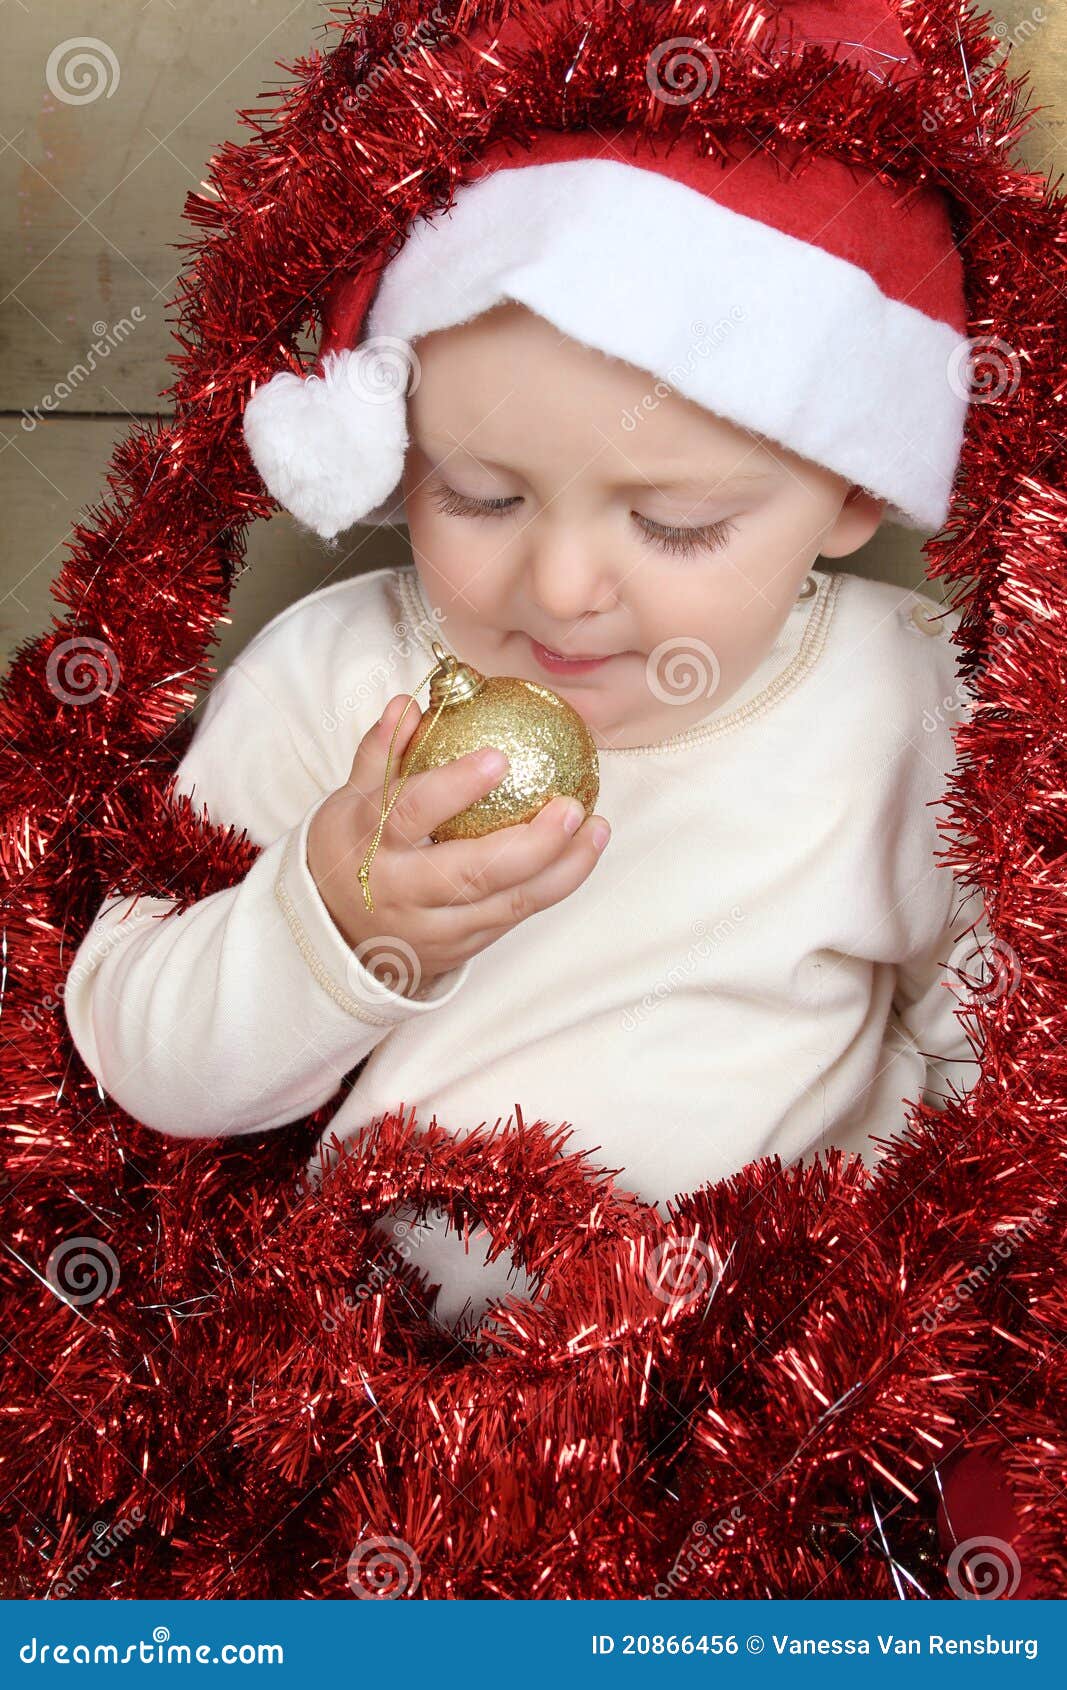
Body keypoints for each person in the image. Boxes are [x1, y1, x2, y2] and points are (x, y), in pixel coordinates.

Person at [63, 9, 988, 1330]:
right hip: (378, 1401)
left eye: (675, 525)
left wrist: (880, 1291)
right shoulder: (337, 676)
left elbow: (997, 1051)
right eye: (482, 495)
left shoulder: (902, 706)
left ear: (852, 490)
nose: (560, 588)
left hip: (761, 1404)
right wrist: (333, 919)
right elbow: (137, 1051)